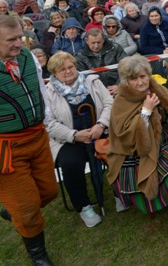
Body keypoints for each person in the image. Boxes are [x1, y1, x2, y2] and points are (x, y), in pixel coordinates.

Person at [0, 15, 58, 265]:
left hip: (37, 138)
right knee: (29, 210)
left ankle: (15, 210)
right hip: (3, 148)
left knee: (49, 192)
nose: (19, 43)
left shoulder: (28, 57)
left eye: (20, 37)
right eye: (12, 40)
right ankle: (38, 255)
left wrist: (47, 119)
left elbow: (39, 90)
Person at [107, 55, 168, 243]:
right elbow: (126, 136)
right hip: (134, 152)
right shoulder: (122, 99)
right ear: (126, 81)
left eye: (143, 76)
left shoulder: (155, 87)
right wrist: (145, 111)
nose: (140, 82)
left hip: (162, 138)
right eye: (134, 78)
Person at [44, 51, 113, 227]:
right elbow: (49, 124)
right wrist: (74, 135)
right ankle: (84, 207)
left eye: (71, 67)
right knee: (71, 163)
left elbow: (109, 104)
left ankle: (121, 193)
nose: (68, 71)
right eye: (62, 70)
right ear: (54, 73)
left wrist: (101, 125)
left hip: (99, 131)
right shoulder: (47, 93)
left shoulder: (93, 81)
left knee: (119, 149)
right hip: (67, 139)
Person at [75, 28, 127, 95]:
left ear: (103, 39)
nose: (96, 46)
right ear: (86, 41)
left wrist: (120, 86)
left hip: (119, 88)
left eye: (99, 42)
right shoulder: (80, 57)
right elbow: (82, 79)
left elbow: (127, 69)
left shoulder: (116, 48)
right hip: (96, 92)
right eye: (93, 43)